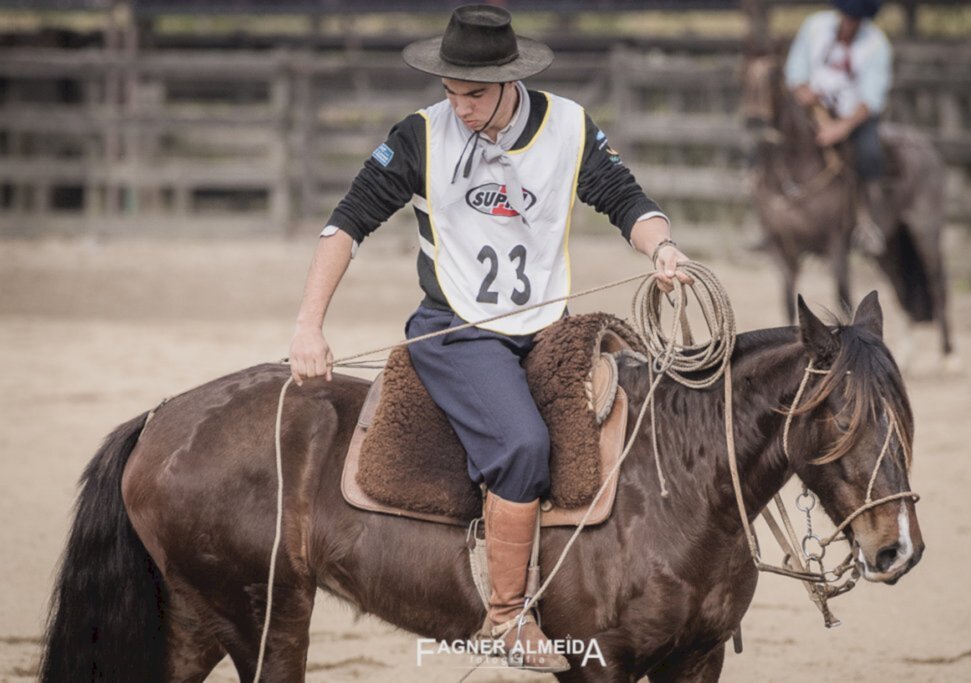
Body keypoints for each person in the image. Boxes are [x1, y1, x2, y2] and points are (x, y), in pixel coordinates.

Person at [288, 5, 689, 672]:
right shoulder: (420, 136)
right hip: (455, 330)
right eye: (450, 92)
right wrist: (309, 323)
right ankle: (506, 616)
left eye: (473, 94)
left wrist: (664, 247)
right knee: (523, 446)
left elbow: (627, 200)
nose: (460, 108)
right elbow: (346, 223)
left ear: (510, 81)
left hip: (549, 330)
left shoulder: (569, 127)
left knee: (637, 412)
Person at [784, 0, 892, 246]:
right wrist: (804, 92)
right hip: (812, 109)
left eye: (855, 17)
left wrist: (840, 128)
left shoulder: (876, 44)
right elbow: (795, 71)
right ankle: (771, 213)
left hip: (852, 116)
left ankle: (867, 219)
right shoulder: (815, 26)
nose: (848, 22)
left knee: (868, 153)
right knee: (775, 138)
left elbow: (870, 98)